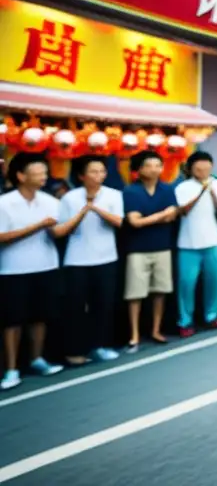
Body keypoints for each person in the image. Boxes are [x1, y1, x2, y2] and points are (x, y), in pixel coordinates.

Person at [0, 153, 78, 390]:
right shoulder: (5, 203)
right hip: (12, 270)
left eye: (45, 172)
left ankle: (37, 359)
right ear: (21, 175)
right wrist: (37, 226)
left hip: (46, 266)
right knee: (12, 321)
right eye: (38, 172)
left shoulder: (51, 201)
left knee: (40, 316)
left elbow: (57, 232)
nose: (44, 176)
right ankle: (11, 369)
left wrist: (79, 216)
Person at [59, 155, 125, 365]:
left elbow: (118, 222)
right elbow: (63, 229)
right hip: (77, 260)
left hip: (106, 258)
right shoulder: (70, 198)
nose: (99, 176)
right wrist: (83, 210)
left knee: (103, 305)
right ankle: (75, 350)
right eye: (93, 172)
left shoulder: (113, 195)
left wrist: (95, 208)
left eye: (101, 171)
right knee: (75, 307)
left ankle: (101, 346)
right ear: (81, 175)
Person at [122, 150, 178, 351]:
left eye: (158, 165)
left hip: (162, 246)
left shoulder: (167, 189)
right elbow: (134, 222)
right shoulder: (131, 191)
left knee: (160, 291)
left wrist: (152, 218)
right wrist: (161, 215)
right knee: (135, 293)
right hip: (137, 249)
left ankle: (156, 330)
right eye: (149, 165)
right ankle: (134, 334)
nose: (154, 169)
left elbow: (172, 216)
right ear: (139, 169)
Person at [173, 151, 217, 337]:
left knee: (215, 281)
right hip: (188, 243)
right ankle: (185, 320)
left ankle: (211, 315)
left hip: (213, 240)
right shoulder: (182, 187)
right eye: (199, 169)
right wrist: (201, 191)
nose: (203, 172)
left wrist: (210, 190)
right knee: (187, 284)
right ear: (191, 169)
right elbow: (184, 211)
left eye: (207, 168)